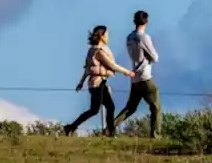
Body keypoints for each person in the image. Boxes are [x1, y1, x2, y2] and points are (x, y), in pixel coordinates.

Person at [64, 25, 134, 136]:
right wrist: (128, 72)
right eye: (106, 34)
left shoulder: (91, 50)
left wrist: (81, 82)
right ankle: (71, 127)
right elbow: (112, 65)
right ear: (101, 36)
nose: (108, 37)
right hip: (97, 84)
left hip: (100, 83)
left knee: (110, 107)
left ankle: (111, 133)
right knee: (94, 110)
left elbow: (87, 69)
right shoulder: (99, 52)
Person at [111, 10, 163, 138]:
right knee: (156, 106)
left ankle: (110, 127)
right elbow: (155, 57)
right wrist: (148, 58)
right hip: (145, 76)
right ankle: (155, 134)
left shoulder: (129, 37)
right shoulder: (144, 37)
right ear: (146, 21)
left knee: (130, 107)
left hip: (135, 77)